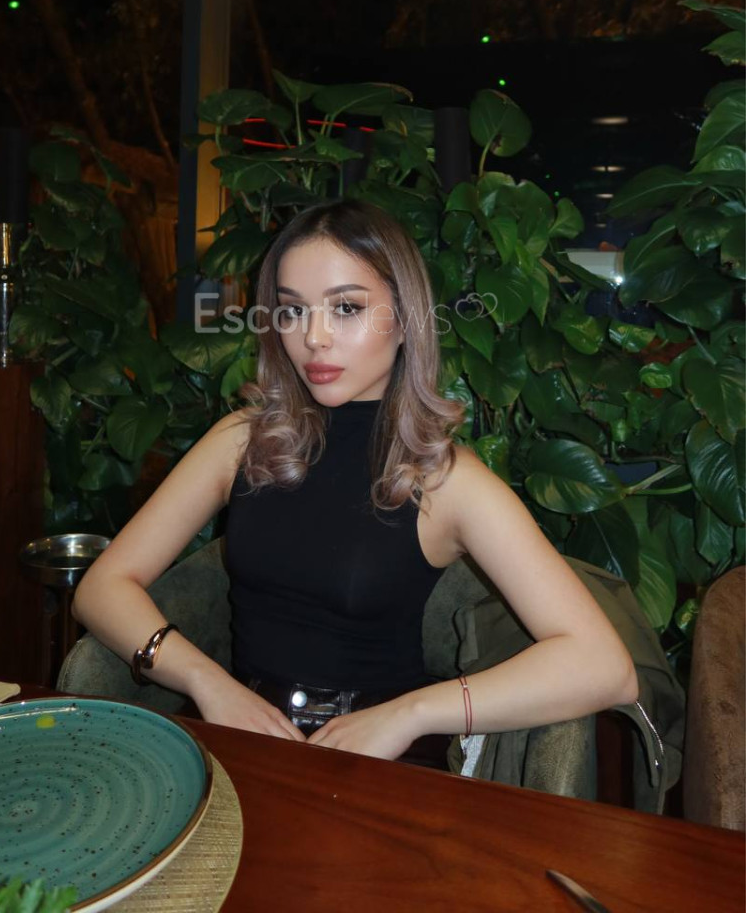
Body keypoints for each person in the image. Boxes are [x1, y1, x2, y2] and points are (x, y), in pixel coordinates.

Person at [73, 199, 637, 771]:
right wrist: (207, 681)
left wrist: (412, 713)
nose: (314, 338)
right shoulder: (244, 441)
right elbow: (102, 587)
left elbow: (604, 666)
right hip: (241, 744)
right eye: (292, 311)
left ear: (406, 320)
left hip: (376, 765)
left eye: (346, 307)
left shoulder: (445, 481)